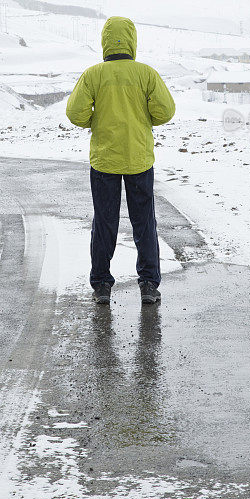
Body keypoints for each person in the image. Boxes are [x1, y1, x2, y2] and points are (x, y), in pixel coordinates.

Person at [66, 16, 176, 305]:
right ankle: (149, 284)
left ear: (105, 41)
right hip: (139, 159)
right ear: (131, 40)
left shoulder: (93, 75)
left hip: (105, 161)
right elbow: (165, 111)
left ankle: (102, 284)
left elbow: (75, 113)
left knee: (104, 221)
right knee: (144, 222)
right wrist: (142, 120)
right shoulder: (146, 74)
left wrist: (97, 121)